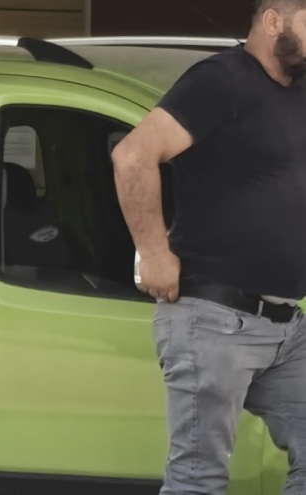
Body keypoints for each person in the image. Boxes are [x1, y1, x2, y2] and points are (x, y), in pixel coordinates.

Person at [112, 1, 306, 493]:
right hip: (215, 319)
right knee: (197, 480)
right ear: (274, 21)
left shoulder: (296, 93)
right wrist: (154, 254)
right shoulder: (221, 81)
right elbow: (133, 156)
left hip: (286, 327)